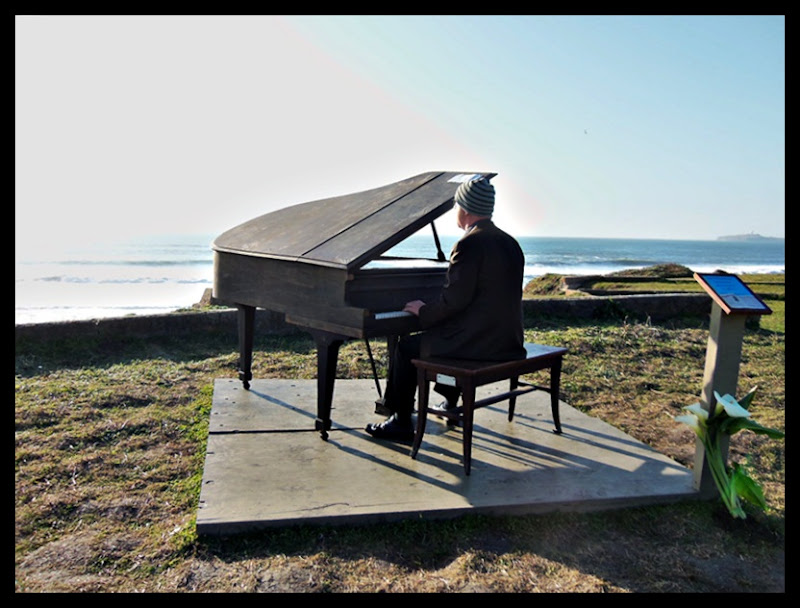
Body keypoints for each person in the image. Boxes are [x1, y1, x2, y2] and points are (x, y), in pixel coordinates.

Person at [365, 175, 526, 441]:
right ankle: (450, 402)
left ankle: (401, 421)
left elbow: (454, 302)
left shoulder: (469, 244)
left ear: (465, 209)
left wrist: (422, 310)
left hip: (478, 344)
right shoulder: (510, 243)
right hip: (507, 340)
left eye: (457, 205)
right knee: (441, 334)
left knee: (405, 347)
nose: (455, 210)